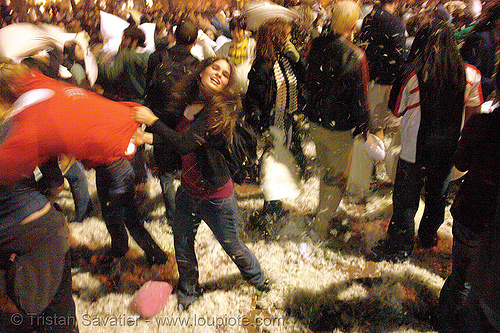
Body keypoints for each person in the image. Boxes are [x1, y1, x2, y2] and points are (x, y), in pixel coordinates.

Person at [133, 57, 270, 310]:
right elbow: (178, 139)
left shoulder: (218, 107)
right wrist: (149, 137)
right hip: (188, 190)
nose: (219, 74)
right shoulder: (191, 102)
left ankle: (259, 280)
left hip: (216, 195)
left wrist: (153, 121)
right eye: (215, 68)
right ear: (203, 70)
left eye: (226, 74)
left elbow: (187, 143)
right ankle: (189, 290)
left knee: (232, 244)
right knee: (182, 242)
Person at [371, 19, 483, 263]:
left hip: (413, 150)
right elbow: (475, 113)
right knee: (437, 196)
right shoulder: (471, 74)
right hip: (448, 149)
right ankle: (428, 236)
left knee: (405, 201)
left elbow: (396, 110)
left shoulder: (411, 73)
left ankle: (399, 248)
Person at [0, 93, 78, 333]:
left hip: (24, 236)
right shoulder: (17, 124)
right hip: (45, 228)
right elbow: (56, 182)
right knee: (59, 317)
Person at [437, 63, 500, 333]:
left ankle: (447, 323)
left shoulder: (484, 125)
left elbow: (461, 161)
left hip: (475, 210)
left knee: (463, 279)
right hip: (487, 219)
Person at [304, 0, 370, 240]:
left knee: (326, 171)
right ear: (353, 24)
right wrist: (365, 129)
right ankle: (321, 226)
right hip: (339, 126)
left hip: (316, 120)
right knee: (336, 177)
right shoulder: (356, 55)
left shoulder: (315, 45)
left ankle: (322, 214)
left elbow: (307, 80)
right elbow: (361, 98)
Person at [244, 18, 306, 223]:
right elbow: (252, 100)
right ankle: (270, 212)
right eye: (286, 34)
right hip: (272, 121)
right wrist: (261, 129)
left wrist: (298, 59)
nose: (290, 38)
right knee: (272, 166)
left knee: (280, 164)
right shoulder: (263, 65)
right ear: (276, 37)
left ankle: (275, 208)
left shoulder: (286, 59)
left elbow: (303, 80)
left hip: (286, 119)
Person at [144, 19, 200, 222]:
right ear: (195, 41)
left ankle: (173, 216)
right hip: (184, 124)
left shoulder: (156, 58)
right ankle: (189, 213)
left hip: (159, 122)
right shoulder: (197, 65)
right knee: (187, 170)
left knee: (166, 175)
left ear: (174, 36)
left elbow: (148, 91)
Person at [358, 0, 406, 184]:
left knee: (373, 129)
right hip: (387, 83)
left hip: (369, 81)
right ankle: (394, 178)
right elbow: (398, 57)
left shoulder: (369, 18)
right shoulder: (394, 22)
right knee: (393, 131)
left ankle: (369, 175)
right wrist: (394, 86)